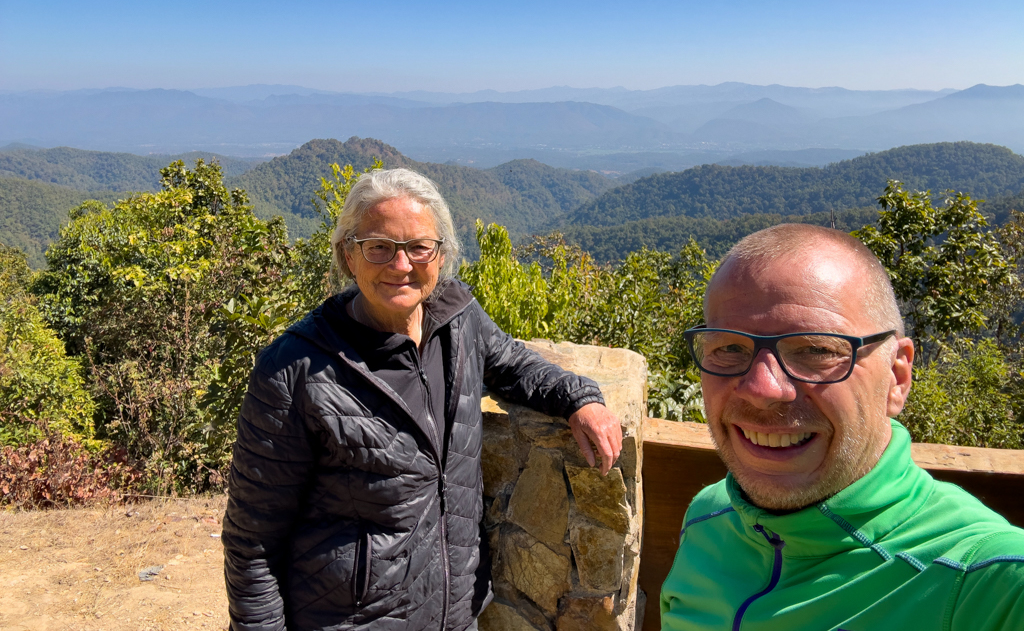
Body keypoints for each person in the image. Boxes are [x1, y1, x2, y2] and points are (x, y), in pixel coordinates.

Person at [222, 168, 622, 631]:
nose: (401, 265)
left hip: (455, 613)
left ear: (441, 254)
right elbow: (252, 542)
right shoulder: (296, 369)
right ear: (349, 256)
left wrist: (581, 399)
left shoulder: (457, 318)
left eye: (419, 247)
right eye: (379, 247)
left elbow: (514, 365)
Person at [661, 223, 1024, 630]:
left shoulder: (991, 582)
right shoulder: (711, 514)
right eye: (728, 347)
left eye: (816, 350)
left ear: (897, 377)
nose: (763, 389)